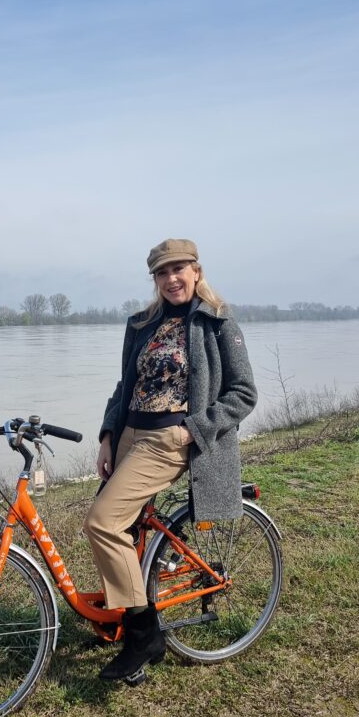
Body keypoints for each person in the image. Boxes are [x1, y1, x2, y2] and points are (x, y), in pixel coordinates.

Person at [83, 238, 257, 681]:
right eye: (162, 273)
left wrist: (191, 430)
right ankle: (127, 624)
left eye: (179, 269)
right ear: (155, 280)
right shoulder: (143, 323)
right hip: (129, 433)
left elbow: (243, 394)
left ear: (197, 271)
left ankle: (144, 636)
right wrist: (107, 434)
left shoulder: (217, 321)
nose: (172, 279)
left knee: (102, 522)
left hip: (170, 439)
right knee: (126, 528)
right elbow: (125, 385)